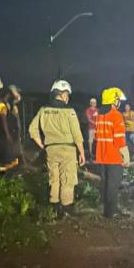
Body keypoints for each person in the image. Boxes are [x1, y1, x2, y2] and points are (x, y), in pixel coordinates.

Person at [28, 80, 86, 217]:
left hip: (51, 150)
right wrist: (82, 152)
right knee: (67, 178)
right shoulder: (70, 112)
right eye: (67, 95)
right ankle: (66, 207)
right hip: (67, 150)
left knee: (54, 178)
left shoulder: (43, 110)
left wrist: (42, 145)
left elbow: (32, 129)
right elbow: (77, 134)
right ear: (64, 94)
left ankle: (54, 207)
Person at [94, 87, 130, 218]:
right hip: (113, 157)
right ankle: (112, 212)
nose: (119, 102)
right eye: (118, 100)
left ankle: (106, 211)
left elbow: (96, 136)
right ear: (114, 100)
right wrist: (126, 156)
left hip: (101, 156)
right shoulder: (116, 115)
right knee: (113, 185)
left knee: (105, 184)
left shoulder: (99, 115)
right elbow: (119, 139)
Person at [0, 87, 21, 172]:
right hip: (4, 135)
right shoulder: (1, 105)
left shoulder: (8, 105)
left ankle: (10, 169)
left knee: (12, 155)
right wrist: (7, 135)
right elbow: (3, 121)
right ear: (8, 94)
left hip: (10, 133)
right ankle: (4, 171)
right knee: (6, 155)